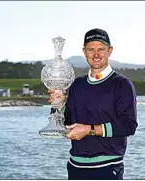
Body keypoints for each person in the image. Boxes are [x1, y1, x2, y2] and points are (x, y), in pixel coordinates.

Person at [48, 28, 138, 180]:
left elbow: (129, 125)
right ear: (84, 52)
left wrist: (89, 130)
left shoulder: (122, 84)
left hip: (107, 168)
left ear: (110, 51)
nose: (96, 54)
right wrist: (59, 104)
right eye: (91, 49)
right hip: (75, 167)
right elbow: (67, 122)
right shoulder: (77, 84)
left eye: (101, 49)